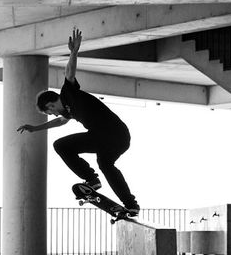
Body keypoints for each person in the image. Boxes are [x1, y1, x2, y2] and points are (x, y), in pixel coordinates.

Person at [16, 27, 139, 215]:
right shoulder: (67, 111)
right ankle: (130, 204)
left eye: (51, 112)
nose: (55, 115)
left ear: (50, 104)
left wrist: (74, 52)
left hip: (111, 134)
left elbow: (69, 72)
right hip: (116, 138)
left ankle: (92, 179)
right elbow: (60, 122)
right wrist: (36, 128)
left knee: (61, 146)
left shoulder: (68, 94)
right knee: (106, 165)